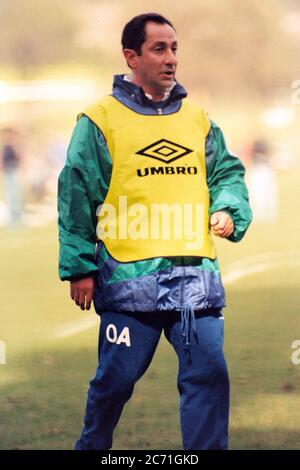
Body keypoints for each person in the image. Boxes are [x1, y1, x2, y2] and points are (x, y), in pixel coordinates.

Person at [57, 13, 252, 450]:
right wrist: (79, 267)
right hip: (129, 280)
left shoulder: (198, 118)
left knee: (208, 376)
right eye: (158, 49)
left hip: (195, 279)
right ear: (131, 56)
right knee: (115, 382)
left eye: (175, 49)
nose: (171, 59)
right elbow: (76, 193)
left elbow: (227, 173)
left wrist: (227, 208)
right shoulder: (99, 119)